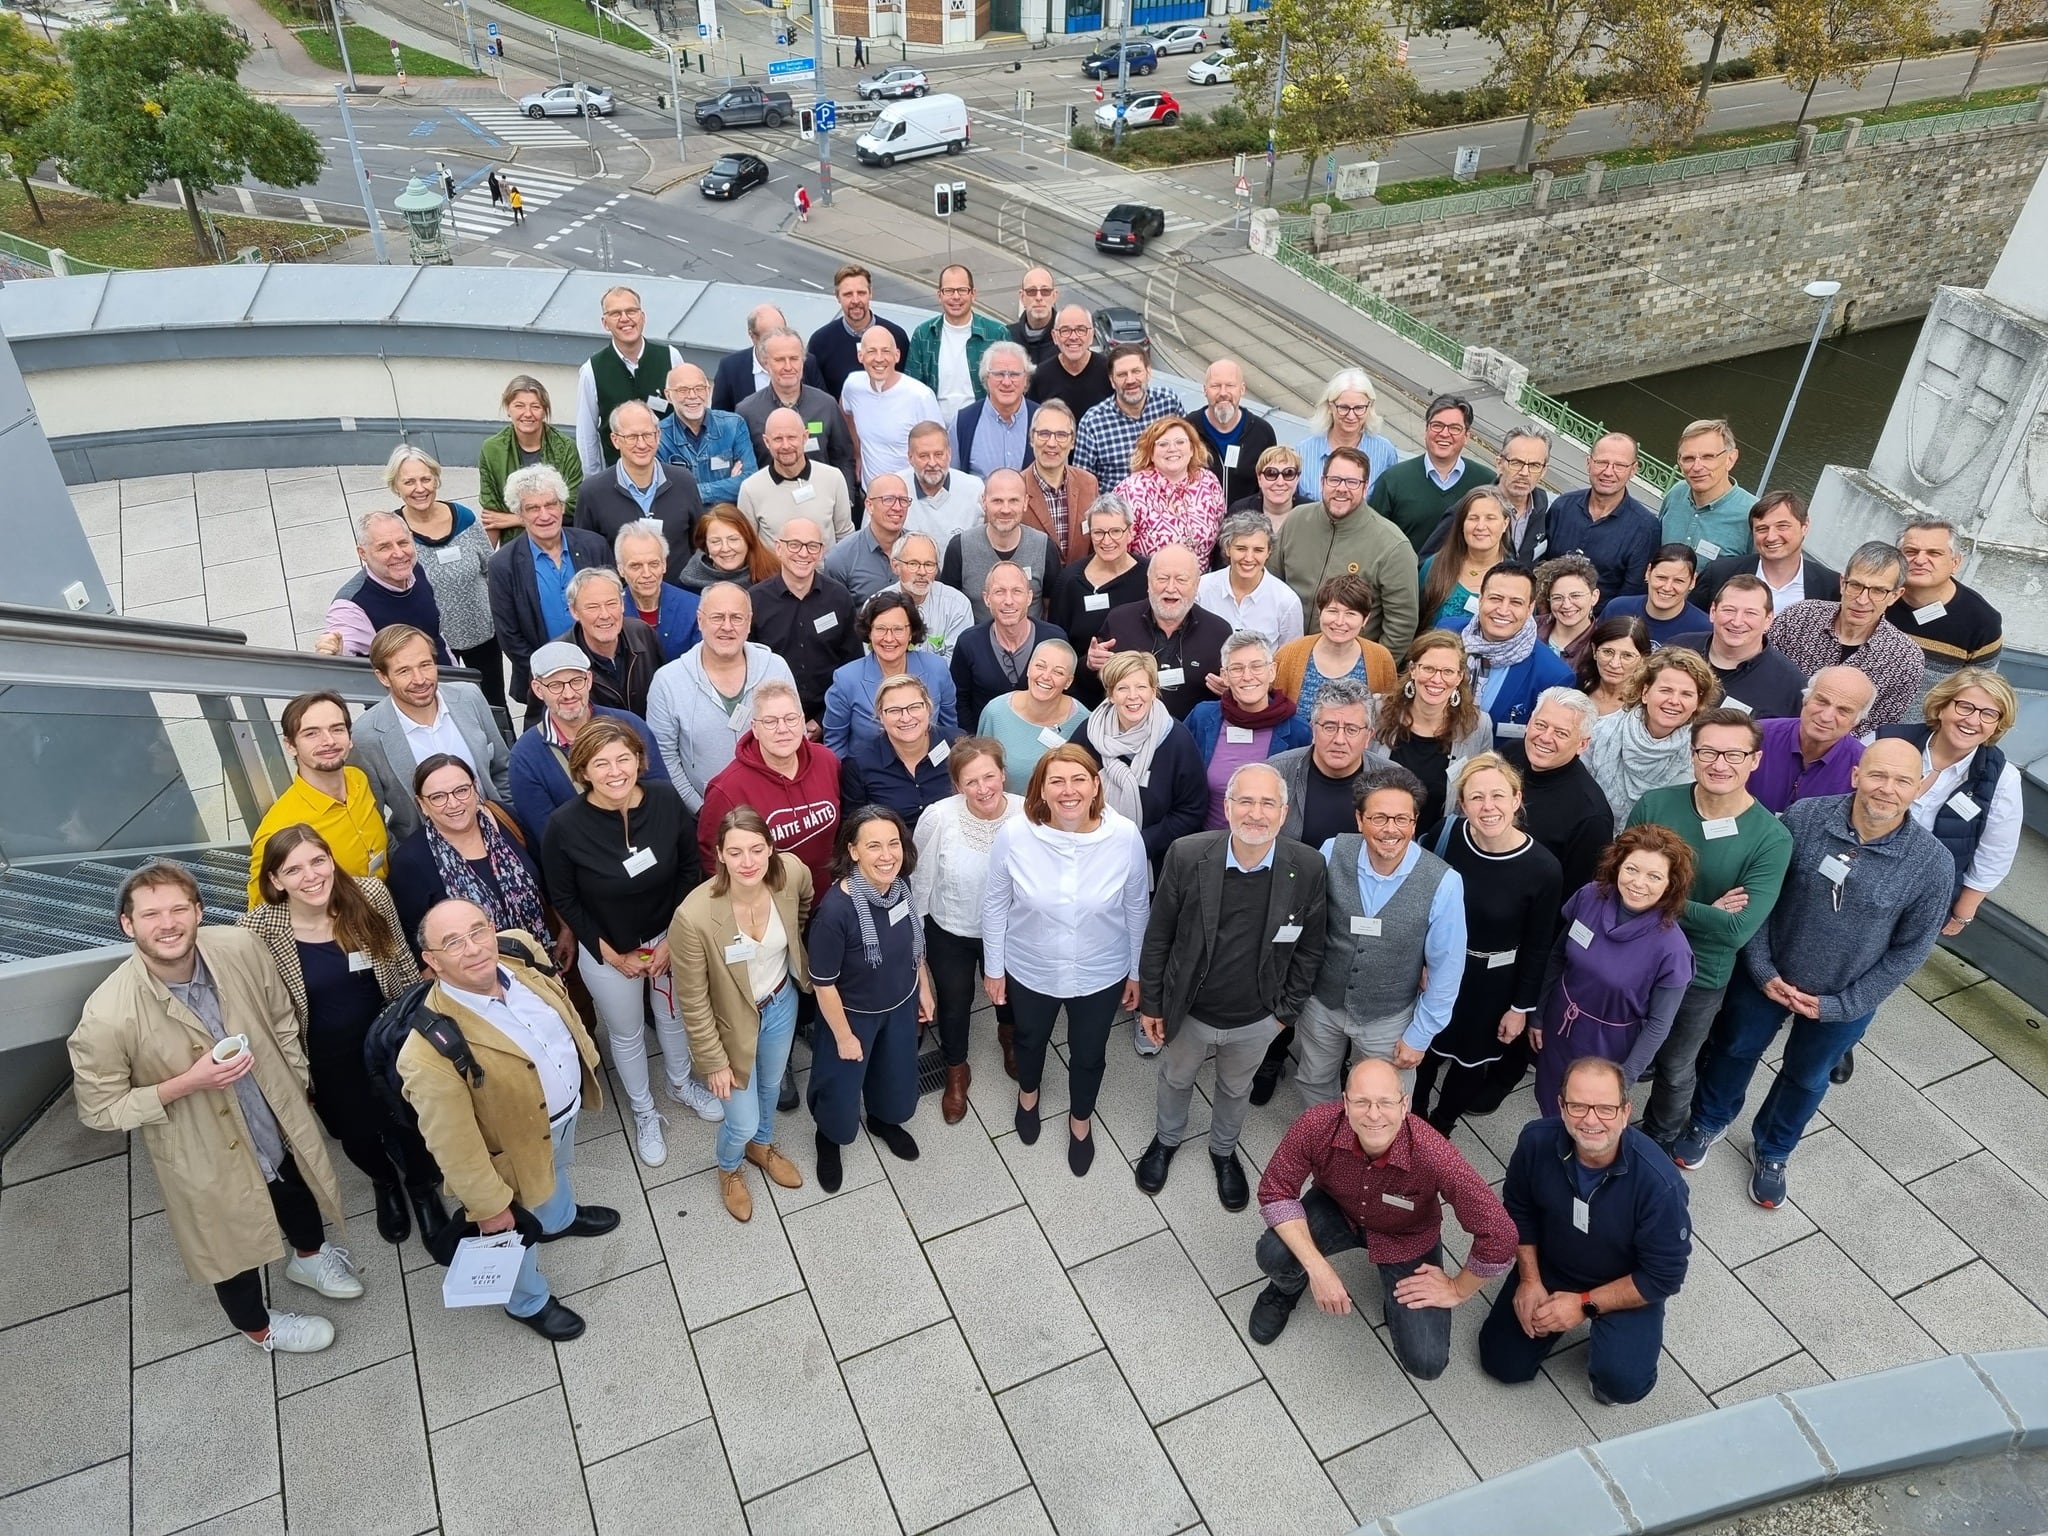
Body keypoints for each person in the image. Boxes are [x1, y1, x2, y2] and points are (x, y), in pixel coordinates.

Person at [73, 860, 361, 1358]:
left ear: (199, 911)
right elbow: (100, 1109)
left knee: (293, 1182)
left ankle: (309, 1257)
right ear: (128, 924)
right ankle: (257, 1326)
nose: (167, 924)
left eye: (179, 908)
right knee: (226, 1240)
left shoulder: (239, 947)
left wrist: (295, 1081)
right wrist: (187, 1083)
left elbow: (280, 1016)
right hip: (201, 1144)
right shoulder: (107, 1014)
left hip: (269, 1112)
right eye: (150, 914)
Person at [1673, 739, 1951, 1208]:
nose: (1887, 789)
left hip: (1845, 998)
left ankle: (1774, 1148)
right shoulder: (1805, 818)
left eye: (1903, 780)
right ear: (1856, 774)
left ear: (1920, 787)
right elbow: (1760, 896)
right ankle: (1708, 1118)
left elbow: (1911, 950)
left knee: (1807, 1076)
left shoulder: (1933, 864)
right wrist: (1761, 969)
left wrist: (1843, 1005)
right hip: (1769, 974)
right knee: (1734, 1048)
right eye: (1878, 775)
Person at [405, 899, 617, 1343]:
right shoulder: (427, 1052)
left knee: (556, 1171)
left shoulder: (517, 948)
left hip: (560, 1115)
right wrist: (490, 1209)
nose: (474, 948)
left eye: (477, 930)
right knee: (510, 1231)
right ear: (432, 961)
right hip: (509, 1153)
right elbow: (455, 1148)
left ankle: (559, 1219)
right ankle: (527, 1301)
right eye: (452, 943)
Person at [1137, 762, 1329, 1208]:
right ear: (1226, 807)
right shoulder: (1187, 855)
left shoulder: (1308, 865)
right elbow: (1158, 934)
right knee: (1176, 1078)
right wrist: (1152, 1004)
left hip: (1257, 1018)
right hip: (1189, 1012)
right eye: (1245, 801)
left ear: (1284, 813)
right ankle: (1166, 1140)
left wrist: (1285, 1015)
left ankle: (1224, 1151)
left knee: (1235, 1088)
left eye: (1268, 803)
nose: (1256, 814)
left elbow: (1311, 948)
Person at [1249, 1059, 1517, 1372]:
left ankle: (1398, 1304)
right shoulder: (1316, 1124)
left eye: (1385, 1103)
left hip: (1407, 1235)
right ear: (1345, 1104)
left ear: (1405, 1105)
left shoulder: (1435, 1153)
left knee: (1426, 1361)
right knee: (1273, 1254)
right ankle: (1287, 1289)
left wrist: (1458, 1288)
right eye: (1362, 1102)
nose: (1374, 1114)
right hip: (1338, 1209)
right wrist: (1318, 1268)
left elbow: (1500, 1233)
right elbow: (1276, 1190)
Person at [241, 825, 436, 1245]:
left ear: (331, 859)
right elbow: (263, 1008)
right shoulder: (258, 930)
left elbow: (402, 964)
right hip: (326, 1058)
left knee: (410, 1120)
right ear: (275, 880)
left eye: (317, 860)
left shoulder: (369, 896)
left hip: (387, 1041)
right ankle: (384, 1183)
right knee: (356, 1133)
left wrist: (418, 1032)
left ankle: (422, 1189)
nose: (311, 876)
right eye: (293, 870)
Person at [540, 717, 711, 1166]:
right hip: (608, 948)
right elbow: (564, 897)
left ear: (639, 759)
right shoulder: (565, 825)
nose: (615, 771)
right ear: (583, 771)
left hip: (667, 937)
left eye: (624, 758)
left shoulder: (665, 799)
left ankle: (680, 1084)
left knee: (673, 1017)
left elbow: (689, 869)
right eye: (601, 763)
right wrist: (609, 953)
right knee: (628, 1032)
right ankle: (644, 1110)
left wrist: (674, 937)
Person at [1479, 1056, 1691, 1405]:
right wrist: (1530, 1280)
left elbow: (1663, 1277)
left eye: (1605, 1108)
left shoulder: (1660, 1185)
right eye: (1577, 1106)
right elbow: (1519, 1209)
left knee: (1623, 1384)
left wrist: (1584, 1306)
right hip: (1552, 1265)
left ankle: (1613, 1345)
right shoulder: (1535, 1141)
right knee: (1501, 1363)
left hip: (1624, 1279)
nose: (1591, 1120)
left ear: (1625, 1112)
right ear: (1561, 1107)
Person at [1626, 710, 1793, 1146]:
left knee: (1677, 1066)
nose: (1721, 763)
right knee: (1618, 1043)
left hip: (1700, 975)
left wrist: (1659, 898)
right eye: (1709, 751)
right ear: (1693, 753)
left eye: (1734, 754)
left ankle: (1659, 1139)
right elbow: (1619, 884)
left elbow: (1736, 928)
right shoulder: (1656, 804)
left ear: (1755, 760)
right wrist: (1704, 910)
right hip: (1632, 954)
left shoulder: (1771, 838)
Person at [983, 746, 1149, 1174]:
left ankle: (1080, 1121)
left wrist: (1136, 971)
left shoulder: (1125, 835)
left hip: (1101, 970)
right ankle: (1029, 1096)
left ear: (1096, 785)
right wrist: (994, 967)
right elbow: (995, 904)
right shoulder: (1016, 835)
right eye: (1056, 781)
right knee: (1029, 1040)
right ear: (1041, 788)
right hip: (1031, 967)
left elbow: (1136, 907)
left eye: (1079, 779)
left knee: (1090, 1052)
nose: (1068, 790)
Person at [668, 807, 812, 1222]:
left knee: (770, 1086)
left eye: (756, 849)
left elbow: (801, 909)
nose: (748, 862)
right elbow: (692, 1000)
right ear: (720, 856)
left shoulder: (791, 873)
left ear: (771, 848)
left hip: (781, 1003)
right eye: (735, 853)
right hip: (730, 1025)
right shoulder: (693, 917)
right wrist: (712, 1061)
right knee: (742, 1119)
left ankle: (762, 1146)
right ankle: (730, 1166)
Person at [1296, 763, 1466, 1105]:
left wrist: (1420, 1035)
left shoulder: (1444, 881)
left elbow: (1447, 968)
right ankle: (1326, 1140)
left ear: (1415, 822)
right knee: (1314, 1080)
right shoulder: (1331, 851)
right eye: (1379, 818)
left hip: (1389, 1017)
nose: (1392, 829)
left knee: (1384, 1099)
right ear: (1360, 820)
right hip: (1323, 1004)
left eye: (1402, 819)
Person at [1412, 755, 1562, 1136]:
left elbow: (1538, 944)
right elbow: (1417, 898)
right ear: (1462, 804)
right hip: (1439, 968)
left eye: (1498, 795)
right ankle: (1411, 1119)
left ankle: (1440, 1126)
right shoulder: (1446, 834)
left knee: (1469, 1060)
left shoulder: (1543, 868)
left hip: (1492, 982)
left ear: (1517, 799)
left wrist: (1520, 1008)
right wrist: (1419, 963)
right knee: (1423, 1051)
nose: (1488, 807)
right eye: (1476, 797)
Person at [808, 805, 935, 1191]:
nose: (887, 855)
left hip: (899, 1005)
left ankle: (883, 1119)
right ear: (853, 850)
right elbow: (823, 984)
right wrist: (845, 1037)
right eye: (874, 846)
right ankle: (828, 1138)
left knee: (895, 1075)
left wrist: (923, 988)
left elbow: (913, 945)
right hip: (852, 1017)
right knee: (840, 1089)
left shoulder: (900, 887)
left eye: (893, 843)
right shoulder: (835, 913)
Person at [1529, 823, 1695, 1116]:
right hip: (1561, 1024)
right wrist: (1539, 1015)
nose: (1639, 883)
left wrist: (1624, 1077)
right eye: (1632, 869)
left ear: (1670, 884)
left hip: (1606, 1047)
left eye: (1654, 876)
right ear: (1617, 865)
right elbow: (1557, 957)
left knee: (1582, 1117)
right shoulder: (1591, 896)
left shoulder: (1672, 949)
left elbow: (1659, 1025)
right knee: (1549, 1098)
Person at [911, 737, 1025, 1119]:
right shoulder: (939, 817)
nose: (983, 789)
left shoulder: (1027, 816)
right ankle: (956, 1068)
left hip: (1009, 933)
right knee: (955, 1003)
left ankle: (1009, 1039)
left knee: (1009, 996)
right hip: (951, 930)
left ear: (1003, 774)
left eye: (989, 776)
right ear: (957, 786)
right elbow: (921, 879)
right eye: (971, 782)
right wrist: (918, 944)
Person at [1877, 666, 2023, 942]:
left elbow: (1996, 853)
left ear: (1997, 724)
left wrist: (1962, 912)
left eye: (1988, 713)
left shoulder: (2002, 778)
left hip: (1920, 900)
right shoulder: (1887, 740)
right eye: (1965, 706)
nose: (1973, 720)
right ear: (1942, 706)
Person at [388, 753, 559, 970]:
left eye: (461, 790)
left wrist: (566, 932)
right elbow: (416, 945)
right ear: (422, 804)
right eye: (438, 797)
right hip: (475, 984)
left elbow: (546, 877)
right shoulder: (411, 862)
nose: (453, 803)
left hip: (541, 964)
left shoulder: (503, 818)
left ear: (475, 787)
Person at [348, 625, 511, 848]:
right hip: (429, 856)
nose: (420, 679)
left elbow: (502, 767)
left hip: (497, 836)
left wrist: (510, 823)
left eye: (425, 665)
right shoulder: (366, 736)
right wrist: (405, 860)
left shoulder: (469, 697)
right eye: (404, 671)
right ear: (383, 677)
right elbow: (372, 817)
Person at [646, 582, 799, 813]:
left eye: (736, 618)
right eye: (717, 617)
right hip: (706, 813)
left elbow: (796, 731)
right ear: (700, 620)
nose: (727, 627)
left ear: (749, 623)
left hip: (779, 807)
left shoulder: (776, 667)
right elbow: (665, 758)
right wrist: (701, 810)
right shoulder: (667, 682)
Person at [506, 641, 672, 848]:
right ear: (538, 690)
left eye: (576, 681)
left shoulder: (630, 724)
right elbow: (549, 835)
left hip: (651, 846)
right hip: (589, 868)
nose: (568, 694)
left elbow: (662, 795)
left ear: (589, 680)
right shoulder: (525, 757)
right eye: (555, 685)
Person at [486, 465, 615, 720]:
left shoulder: (594, 546)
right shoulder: (503, 565)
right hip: (546, 684)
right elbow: (510, 637)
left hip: (602, 676)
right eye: (533, 508)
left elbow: (614, 607)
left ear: (563, 506)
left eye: (551, 504)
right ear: (519, 514)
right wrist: (552, 679)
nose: (544, 515)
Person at [1268, 446, 1420, 655]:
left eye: (1352, 482)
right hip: (1286, 657)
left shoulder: (1392, 546)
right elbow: (1270, 586)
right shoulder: (1296, 520)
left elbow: (1401, 624)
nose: (1342, 488)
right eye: (1334, 480)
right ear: (1322, 482)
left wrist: (1370, 671)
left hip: (1348, 671)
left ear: (1366, 488)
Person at [376, 444, 501, 698]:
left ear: (436, 479)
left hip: (483, 633)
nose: (419, 488)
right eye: (409, 482)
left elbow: (491, 569)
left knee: (494, 703)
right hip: (429, 646)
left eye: (425, 479)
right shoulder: (393, 532)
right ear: (396, 487)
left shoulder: (464, 518)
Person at [696, 680, 841, 890]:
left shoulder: (827, 761)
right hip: (770, 906)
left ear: (802, 722)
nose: (782, 729)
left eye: (790, 719)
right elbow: (713, 860)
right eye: (770, 721)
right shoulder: (727, 789)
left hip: (828, 899)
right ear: (755, 728)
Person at [1768, 541, 1927, 732]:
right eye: (1856, 585)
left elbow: (1877, 728)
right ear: (1843, 583)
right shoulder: (1799, 617)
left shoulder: (1905, 659)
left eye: (1878, 591)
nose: (1862, 600)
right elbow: (1761, 677)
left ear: (1895, 596)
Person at [248, 692, 388, 907]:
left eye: (337, 729)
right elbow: (264, 913)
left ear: (350, 738)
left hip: (387, 905)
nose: (329, 741)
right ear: (290, 745)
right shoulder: (278, 829)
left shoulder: (359, 780)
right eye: (311, 733)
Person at [1083, 651, 1207, 880]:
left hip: (1155, 863)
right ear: (1110, 694)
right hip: (1089, 858)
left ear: (1153, 691)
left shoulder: (1176, 740)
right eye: (1122, 688)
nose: (1133, 696)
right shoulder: (1089, 732)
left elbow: (1191, 810)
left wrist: (1139, 844)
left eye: (1141, 687)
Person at [1089, 543, 1232, 722]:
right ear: (1149, 582)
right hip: (1127, 732)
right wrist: (1089, 664)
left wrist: (1230, 691)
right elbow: (1092, 685)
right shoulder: (1119, 620)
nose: (1171, 588)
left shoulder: (1219, 632)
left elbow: (1233, 696)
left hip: (1191, 739)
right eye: (1162, 578)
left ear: (1196, 585)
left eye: (1181, 580)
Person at [1369, 631, 1495, 832]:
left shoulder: (1478, 727)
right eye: (1428, 668)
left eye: (1447, 671)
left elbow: (1479, 793)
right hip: (1377, 836)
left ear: (1459, 677)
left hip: (1438, 847)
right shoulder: (1377, 711)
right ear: (1412, 669)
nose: (1437, 679)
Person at [1500, 687, 1618, 901]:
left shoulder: (1591, 815)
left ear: (1582, 744)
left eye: (1561, 733)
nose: (1545, 737)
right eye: (1541, 725)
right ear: (1528, 723)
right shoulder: (1508, 755)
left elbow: (1576, 898)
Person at [1184, 632, 1310, 828]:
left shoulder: (1298, 731)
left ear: (1272, 671)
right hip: (1203, 844)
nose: (1247, 676)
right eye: (1237, 668)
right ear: (1224, 676)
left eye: (1257, 666)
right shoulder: (1202, 718)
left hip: (1267, 844)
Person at [1585, 647, 1718, 826]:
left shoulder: (1702, 753)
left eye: (1686, 694)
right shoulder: (1600, 732)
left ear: (1698, 703)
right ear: (1645, 692)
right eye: (1666, 690)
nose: (1674, 701)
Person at [748, 519, 862, 727]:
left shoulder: (839, 598)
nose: (803, 553)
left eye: (812, 546)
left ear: (821, 551)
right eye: (794, 545)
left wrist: (822, 720)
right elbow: (748, 670)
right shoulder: (755, 601)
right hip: (772, 723)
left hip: (831, 720)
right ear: (779, 548)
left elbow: (852, 667)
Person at [576, 402, 705, 583]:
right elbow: (586, 555)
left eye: (647, 435)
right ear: (615, 440)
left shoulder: (684, 482)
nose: (642, 444)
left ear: (658, 435)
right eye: (632, 437)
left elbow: (699, 542)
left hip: (680, 597)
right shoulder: (592, 492)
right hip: (621, 603)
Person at [822, 591, 959, 755]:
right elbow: (835, 746)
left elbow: (949, 732)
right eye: (880, 629)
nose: (889, 638)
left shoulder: (936, 668)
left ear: (911, 633)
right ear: (869, 632)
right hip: (867, 776)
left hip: (928, 770)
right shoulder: (846, 679)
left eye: (898, 629)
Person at [313, 510, 453, 665]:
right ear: (362, 553)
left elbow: (436, 634)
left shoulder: (416, 569)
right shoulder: (351, 605)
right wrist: (336, 653)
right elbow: (342, 642)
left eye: (403, 543)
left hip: (449, 676)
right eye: (384, 547)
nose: (399, 554)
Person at [1047, 494, 1147, 708]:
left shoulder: (1149, 576)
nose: (1107, 540)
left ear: (1130, 532)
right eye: (1099, 532)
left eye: (1115, 531)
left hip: (1139, 695)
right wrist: (1087, 662)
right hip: (1085, 696)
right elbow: (1058, 646)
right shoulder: (1070, 581)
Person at [1455, 562, 1577, 737]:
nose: (1503, 610)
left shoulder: (1553, 676)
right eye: (1496, 598)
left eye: (1516, 602)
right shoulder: (1448, 632)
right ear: (1481, 599)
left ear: (1530, 608)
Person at [1887, 517, 2004, 694]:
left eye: (1934, 553)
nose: (1919, 560)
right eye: (1911, 551)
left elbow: (1979, 691)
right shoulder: (1874, 595)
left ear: (1955, 563)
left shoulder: (1982, 622)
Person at [738, 327, 859, 497]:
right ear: (766, 363)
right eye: (780, 360)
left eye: (794, 359)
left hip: (822, 503)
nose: (788, 366)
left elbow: (843, 459)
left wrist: (846, 501)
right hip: (772, 506)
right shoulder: (747, 411)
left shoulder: (826, 405)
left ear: (803, 360)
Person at [1370, 394, 1499, 552]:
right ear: (1426, 430)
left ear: (1467, 436)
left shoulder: (1486, 483)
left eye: (1455, 428)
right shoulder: (1393, 480)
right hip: (1405, 576)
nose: (1445, 434)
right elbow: (1373, 540)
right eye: (1437, 425)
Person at [1666, 575, 1804, 719]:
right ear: (1713, 612)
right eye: (1729, 610)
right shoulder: (1676, 648)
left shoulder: (1791, 686)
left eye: (1750, 613)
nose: (1737, 622)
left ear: (1768, 620)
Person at [1546, 433, 1661, 605]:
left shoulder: (1645, 528)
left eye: (1619, 465)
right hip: (1546, 613)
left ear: (1634, 470)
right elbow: (1541, 563)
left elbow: (1631, 595)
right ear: (1589, 463)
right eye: (1602, 462)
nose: (1608, 472)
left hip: (1600, 625)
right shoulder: (1562, 507)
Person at [1269, 676, 1380, 847]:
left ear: (1368, 737)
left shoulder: (1391, 780)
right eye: (1329, 727)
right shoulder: (1275, 774)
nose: (1339, 739)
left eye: (1352, 729)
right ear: (1313, 729)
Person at [952, 562, 1064, 730]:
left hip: (1042, 742)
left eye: (1017, 591)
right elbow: (960, 700)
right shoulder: (968, 643)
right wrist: (973, 744)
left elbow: (1065, 694)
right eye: (999, 592)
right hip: (985, 744)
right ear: (986, 598)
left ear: (1029, 597)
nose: (1008, 601)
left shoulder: (1054, 639)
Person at [838, 673, 960, 828]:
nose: (906, 718)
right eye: (894, 710)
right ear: (881, 716)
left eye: (914, 707)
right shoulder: (858, 764)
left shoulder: (956, 745)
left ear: (928, 709)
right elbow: (853, 829)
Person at [1419, 427, 1552, 566]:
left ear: (1543, 471)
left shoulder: (1543, 507)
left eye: (1535, 465)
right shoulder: (1468, 509)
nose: (1525, 472)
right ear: (1499, 464)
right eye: (1516, 463)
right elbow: (1425, 564)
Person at [575, 286, 673, 475]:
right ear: (605, 323)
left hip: (668, 473)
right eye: (615, 313)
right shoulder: (591, 370)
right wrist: (594, 481)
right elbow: (587, 435)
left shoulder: (670, 357)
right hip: (617, 479)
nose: (625, 319)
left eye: (631, 311)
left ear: (642, 317)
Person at [1750, 666, 1873, 814]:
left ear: (1856, 722)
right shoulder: (1756, 736)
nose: (1826, 717)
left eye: (1843, 710)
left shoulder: (1864, 766)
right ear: (1805, 699)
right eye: (1822, 702)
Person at [1272, 573, 1397, 716]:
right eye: (1332, 611)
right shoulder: (1288, 655)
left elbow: (1387, 716)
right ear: (1320, 612)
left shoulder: (1381, 659)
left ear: (1365, 619)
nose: (1339, 621)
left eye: (1350, 614)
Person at [1694, 489, 1840, 612]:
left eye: (1782, 526)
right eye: (1762, 529)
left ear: (1805, 526)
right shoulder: (1719, 573)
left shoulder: (1831, 586)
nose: (1771, 537)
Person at [478, 374, 584, 540]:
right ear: (508, 409)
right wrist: (489, 564)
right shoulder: (492, 450)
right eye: (519, 406)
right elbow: (492, 516)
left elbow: (573, 506)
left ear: (544, 411)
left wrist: (515, 519)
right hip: (515, 542)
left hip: (559, 536)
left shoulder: (565, 448)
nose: (528, 414)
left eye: (535, 407)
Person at [977, 637, 1089, 793]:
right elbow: (979, 770)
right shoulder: (995, 712)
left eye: (1058, 672)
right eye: (1040, 666)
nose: (1046, 676)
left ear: (1068, 682)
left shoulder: (1084, 723)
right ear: (1029, 668)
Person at [940, 467, 1052, 623]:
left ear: (1025, 502)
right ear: (984, 501)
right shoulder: (959, 548)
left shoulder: (1044, 547)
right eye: (997, 501)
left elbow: (1050, 609)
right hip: (975, 645)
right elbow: (947, 607)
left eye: (1013, 501)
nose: (1005, 509)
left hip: (1032, 644)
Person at [739, 406, 856, 551]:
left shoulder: (833, 478)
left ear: (805, 437)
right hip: (774, 573)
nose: (786, 445)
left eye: (792, 437)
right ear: (766, 442)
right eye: (778, 439)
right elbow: (749, 545)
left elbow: (845, 537)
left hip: (824, 572)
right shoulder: (750, 489)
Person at [841, 325, 942, 489]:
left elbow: (939, 448)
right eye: (872, 351)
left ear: (897, 355)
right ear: (860, 355)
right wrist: (857, 454)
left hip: (910, 497)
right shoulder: (853, 385)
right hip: (872, 496)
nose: (879, 358)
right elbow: (846, 412)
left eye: (886, 351)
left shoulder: (920, 396)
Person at [905, 263, 1010, 419]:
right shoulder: (923, 334)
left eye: (962, 290)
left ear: (973, 294)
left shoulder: (997, 334)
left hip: (982, 427)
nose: (955, 297)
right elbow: (912, 390)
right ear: (939, 295)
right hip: (936, 431)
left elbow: (1012, 386)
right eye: (948, 291)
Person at [1118, 416, 1226, 562]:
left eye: (1180, 442)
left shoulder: (1209, 481)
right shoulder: (1131, 489)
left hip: (1201, 580)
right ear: (1151, 453)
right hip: (1148, 581)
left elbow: (1221, 536)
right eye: (1163, 444)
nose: (1172, 449)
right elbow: (1118, 547)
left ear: (1192, 449)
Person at [1073, 345, 1184, 488]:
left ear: (1148, 372)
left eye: (1136, 371)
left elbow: (1190, 449)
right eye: (1122, 374)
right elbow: (1081, 484)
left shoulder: (1168, 402)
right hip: (1118, 507)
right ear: (1112, 381)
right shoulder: (1092, 423)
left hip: (1170, 502)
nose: (1130, 380)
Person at [561, 567, 663, 719]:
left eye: (611, 604)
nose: (604, 615)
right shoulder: (560, 659)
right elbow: (542, 727)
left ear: (622, 605)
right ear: (574, 611)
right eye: (593, 607)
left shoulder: (643, 633)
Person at [1292, 369, 1401, 503]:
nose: (1351, 416)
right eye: (1343, 407)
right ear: (1330, 406)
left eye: (1359, 408)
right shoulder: (1303, 451)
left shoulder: (1385, 452)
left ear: (1370, 407)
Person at [1197, 511, 1303, 647]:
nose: (1248, 558)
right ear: (1228, 549)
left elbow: (1290, 657)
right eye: (1241, 548)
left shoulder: (1287, 602)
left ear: (1268, 552)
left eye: (1258, 550)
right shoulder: (1202, 588)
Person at [658, 361, 758, 506]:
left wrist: (694, 492)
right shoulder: (658, 436)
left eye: (699, 388)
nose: (692, 396)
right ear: (668, 395)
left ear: (708, 390)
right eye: (683, 390)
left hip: (726, 521)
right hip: (684, 524)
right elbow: (664, 493)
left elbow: (749, 481)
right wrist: (729, 484)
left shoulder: (733, 425)